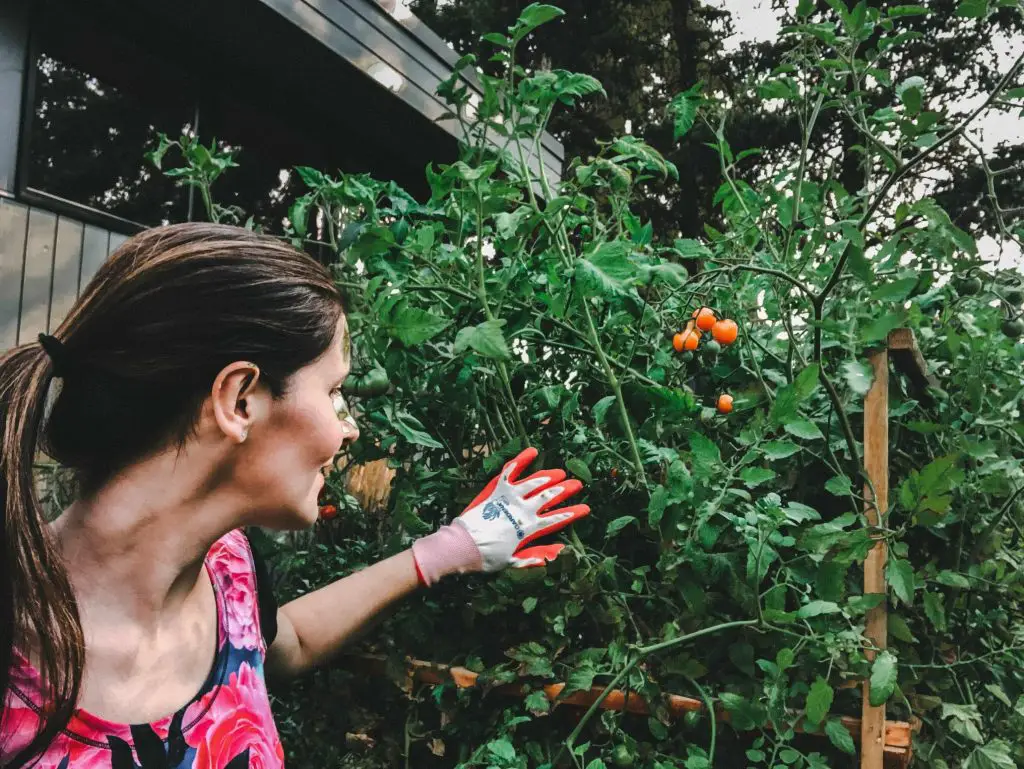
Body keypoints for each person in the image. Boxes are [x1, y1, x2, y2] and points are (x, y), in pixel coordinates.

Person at [0, 223, 590, 769]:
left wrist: (450, 550)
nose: (348, 427)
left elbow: (285, 644)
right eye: (334, 391)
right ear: (239, 402)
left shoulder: (228, 572)